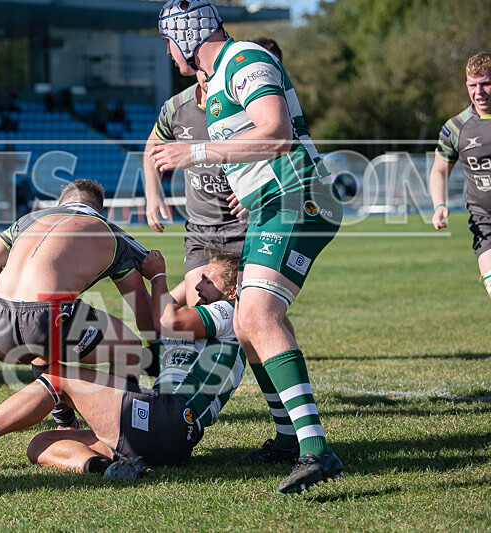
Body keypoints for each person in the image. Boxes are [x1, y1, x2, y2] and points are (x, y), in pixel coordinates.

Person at [153, 0, 343, 493]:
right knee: (244, 321)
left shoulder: (245, 61)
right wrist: (249, 185)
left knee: (258, 315)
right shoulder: (216, 84)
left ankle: (316, 450)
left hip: (300, 198)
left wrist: (194, 151)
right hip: (273, 203)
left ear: (188, 36)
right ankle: (288, 436)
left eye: (171, 42)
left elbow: (276, 133)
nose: (171, 55)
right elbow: (255, 144)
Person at [0, 248, 245, 480]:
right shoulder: (196, 333)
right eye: (198, 279)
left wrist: (157, 275)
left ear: (231, 291)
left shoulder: (229, 314)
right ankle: (107, 468)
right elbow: (152, 336)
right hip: (162, 435)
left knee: (59, 377)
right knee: (41, 444)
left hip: (170, 418)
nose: (197, 286)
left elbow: (167, 318)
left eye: (207, 281)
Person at [0, 179, 154, 431]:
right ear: (100, 210)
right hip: (44, 319)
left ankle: (66, 423)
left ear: (60, 204)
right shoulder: (108, 229)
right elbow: (143, 313)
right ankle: (126, 426)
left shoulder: (29, 218)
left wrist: (16, 300)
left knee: (44, 349)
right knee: (128, 347)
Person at [144, 69, 248, 306]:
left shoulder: (246, 105)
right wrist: (153, 194)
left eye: (215, 70)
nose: (209, 76)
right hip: (201, 229)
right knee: (199, 309)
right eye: (203, 70)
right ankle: (165, 324)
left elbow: (276, 149)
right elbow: (152, 148)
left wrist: (254, 191)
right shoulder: (177, 107)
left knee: (252, 310)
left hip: (244, 226)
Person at [430, 53, 491, 300]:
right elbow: (439, 170)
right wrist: (439, 205)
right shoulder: (456, 127)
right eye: (472, 85)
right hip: (485, 224)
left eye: (486, 83)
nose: (479, 92)